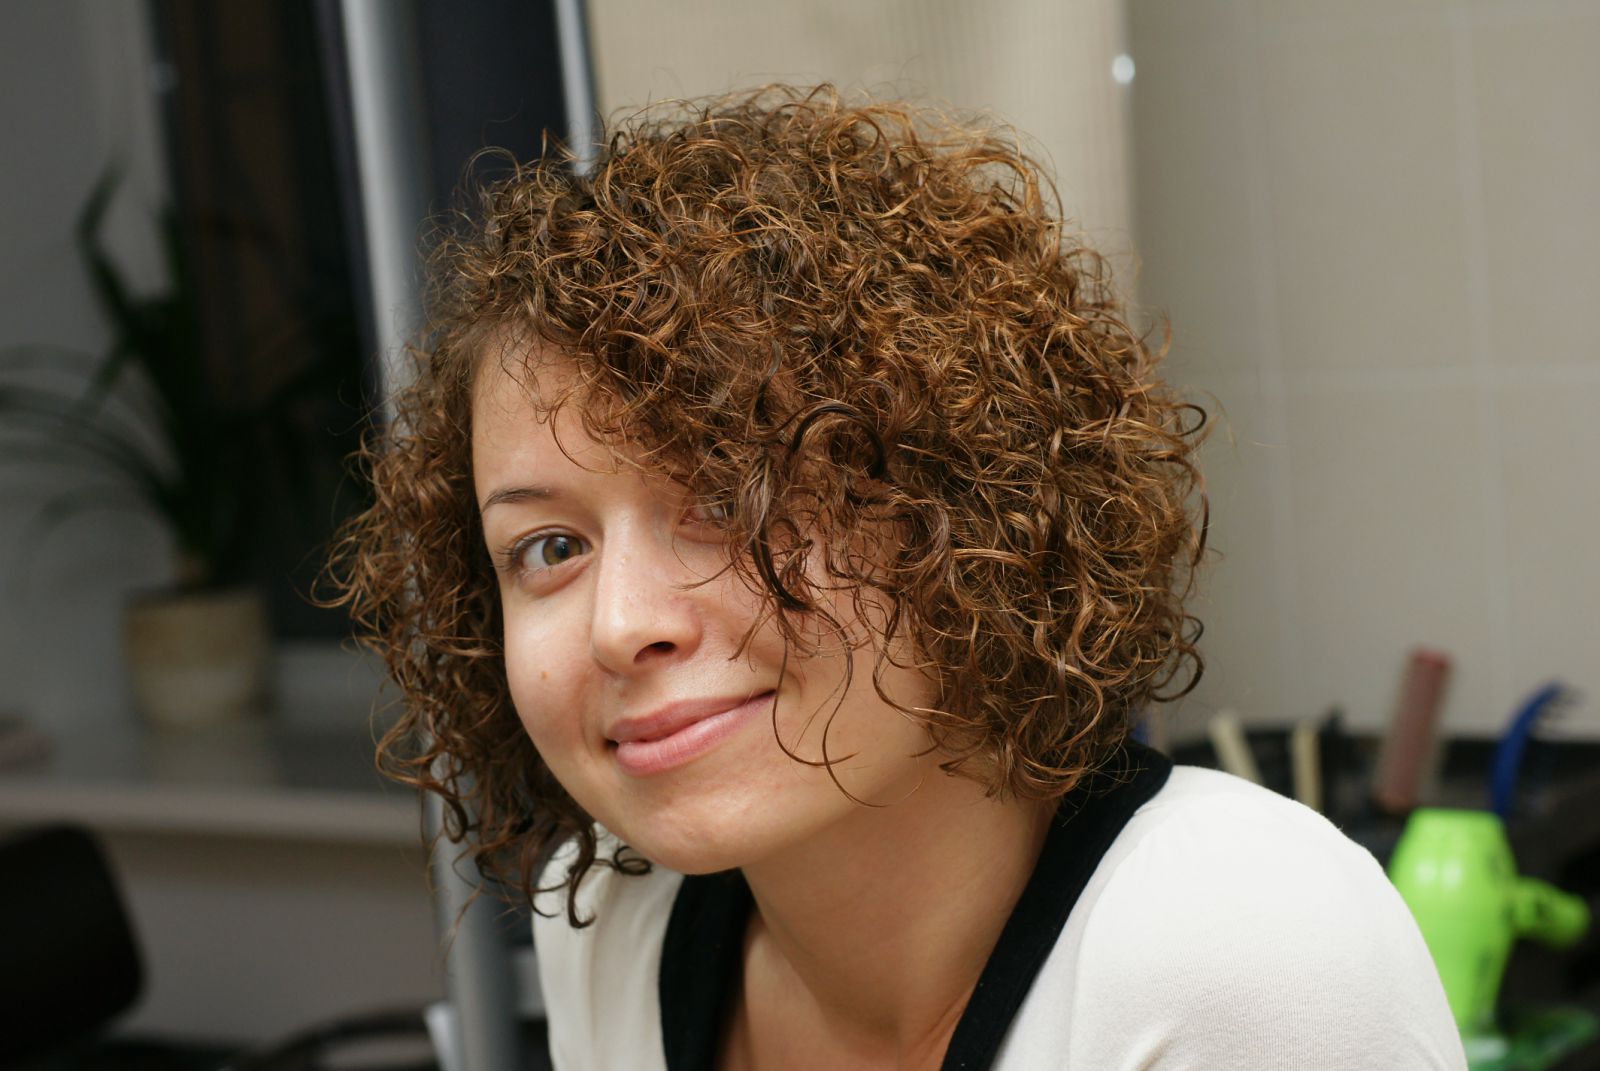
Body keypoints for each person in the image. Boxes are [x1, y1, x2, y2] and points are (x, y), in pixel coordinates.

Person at [331, 85, 1465, 1070]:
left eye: (728, 498)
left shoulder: (1247, 950)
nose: (619, 625)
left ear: (962, 507)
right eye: (550, 548)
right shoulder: (613, 923)